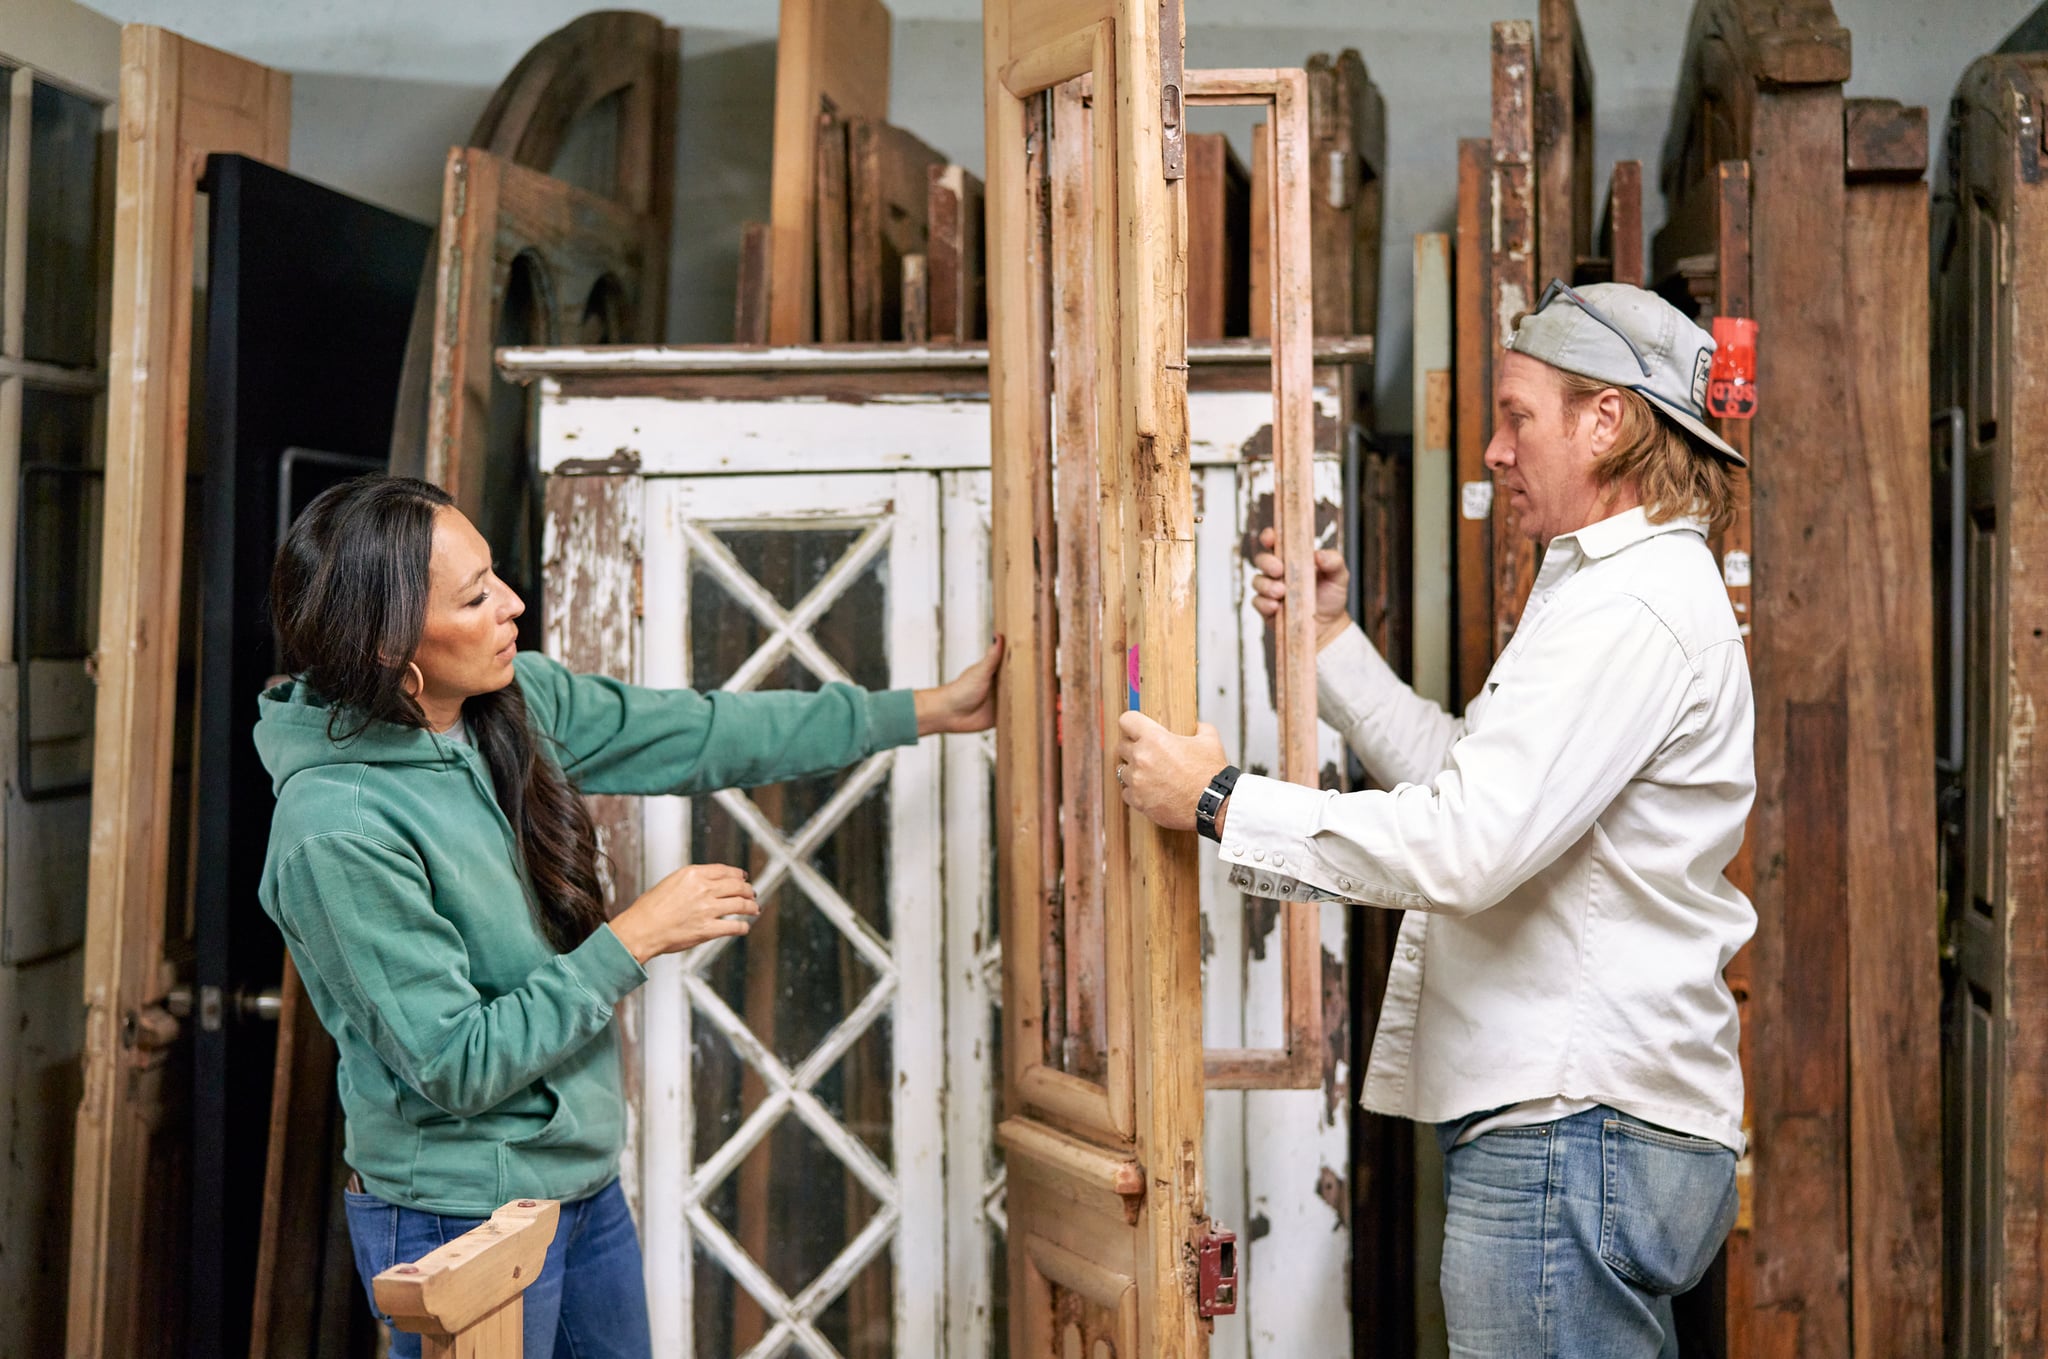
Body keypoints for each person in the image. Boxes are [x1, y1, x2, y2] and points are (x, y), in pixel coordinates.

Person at [1114, 281, 1755, 1358]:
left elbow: (1463, 846)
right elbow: (1471, 780)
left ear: (1606, 421)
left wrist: (1217, 803)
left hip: (1573, 1127)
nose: (1495, 451)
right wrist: (1329, 641)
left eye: (1517, 416)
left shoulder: (1629, 606)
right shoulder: (1613, 592)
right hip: (1587, 1122)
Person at [256, 475, 1001, 1359]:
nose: (513, 604)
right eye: (476, 596)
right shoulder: (336, 828)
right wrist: (634, 938)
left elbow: (700, 732)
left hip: (578, 1187)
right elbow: (453, 1061)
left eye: (496, 576)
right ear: (388, 648)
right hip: (456, 1218)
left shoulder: (508, 703)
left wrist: (927, 710)